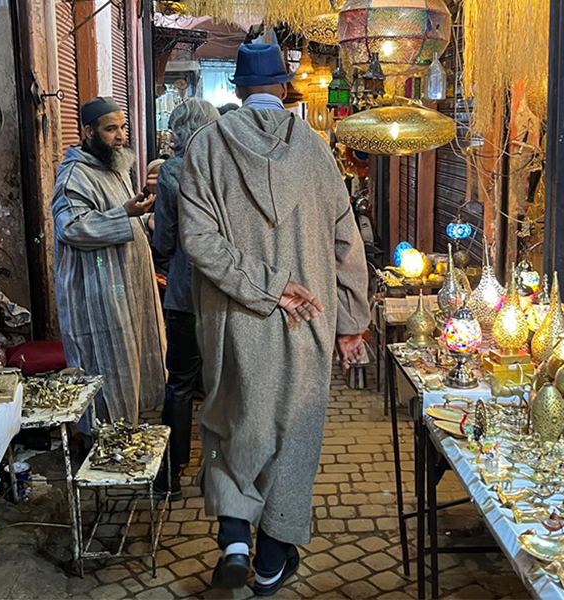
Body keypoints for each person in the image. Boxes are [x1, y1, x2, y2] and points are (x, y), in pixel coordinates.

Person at [178, 44, 370, 596]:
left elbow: (198, 240)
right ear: (284, 89)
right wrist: (351, 323)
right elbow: (346, 243)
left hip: (232, 320)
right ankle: (268, 563)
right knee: (293, 434)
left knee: (231, 424)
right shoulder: (316, 151)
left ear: (238, 89)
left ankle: (235, 540)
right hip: (309, 318)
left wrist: (263, 284)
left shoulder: (205, 146)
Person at [52, 97, 166, 425]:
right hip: (97, 292)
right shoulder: (74, 176)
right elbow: (70, 227)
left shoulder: (113, 167)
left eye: (122, 127)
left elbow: (120, 215)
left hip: (123, 287)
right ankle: (101, 441)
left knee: (129, 364)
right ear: (88, 131)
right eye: (110, 129)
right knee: (105, 370)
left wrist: (142, 218)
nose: (120, 136)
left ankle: (128, 431)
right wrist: (125, 214)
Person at [152, 98, 220, 499]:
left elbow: (164, 238)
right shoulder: (228, 166)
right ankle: (217, 471)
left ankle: (171, 474)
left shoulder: (172, 171)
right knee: (221, 385)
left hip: (183, 292)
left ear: (179, 131)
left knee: (179, 384)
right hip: (226, 294)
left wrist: (167, 255)